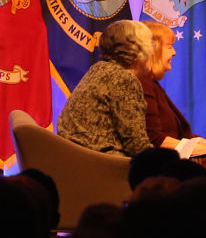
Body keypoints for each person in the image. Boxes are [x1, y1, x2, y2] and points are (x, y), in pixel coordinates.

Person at [136, 20, 206, 158]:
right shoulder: (141, 85)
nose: (174, 52)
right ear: (153, 50)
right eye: (169, 47)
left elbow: (183, 136)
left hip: (173, 159)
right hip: (163, 163)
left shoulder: (152, 84)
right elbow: (154, 139)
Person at [54, 20, 153, 156]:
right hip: (103, 166)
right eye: (150, 44)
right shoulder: (123, 79)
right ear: (136, 50)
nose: (153, 50)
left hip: (77, 161)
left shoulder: (98, 69)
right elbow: (136, 145)